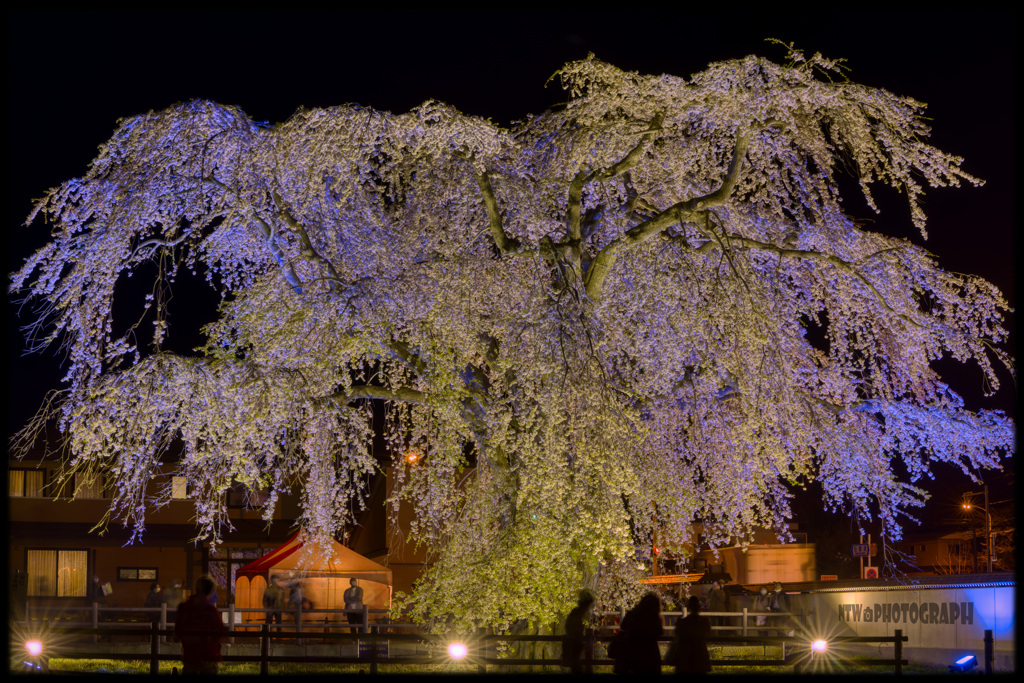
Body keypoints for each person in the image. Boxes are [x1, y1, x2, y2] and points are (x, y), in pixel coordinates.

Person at [174, 577, 226, 675]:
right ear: (210, 591)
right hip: (208, 655)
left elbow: (178, 630)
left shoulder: (184, 608)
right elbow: (219, 632)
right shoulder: (211, 611)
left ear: (197, 588)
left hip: (190, 655)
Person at [612, 592, 663, 674]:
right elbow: (659, 632)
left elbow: (623, 627)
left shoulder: (631, 615)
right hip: (650, 655)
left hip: (631, 652)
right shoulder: (653, 620)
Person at [668, 595, 712, 674]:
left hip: (685, 656)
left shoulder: (682, 622)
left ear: (689, 607)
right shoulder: (704, 622)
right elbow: (708, 634)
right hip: (700, 655)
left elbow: (678, 636)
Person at [562, 590, 594, 674]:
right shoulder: (577, 614)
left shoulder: (576, 613)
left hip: (575, 641)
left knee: (576, 664)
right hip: (575, 642)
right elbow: (573, 628)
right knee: (576, 663)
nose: (588, 608)